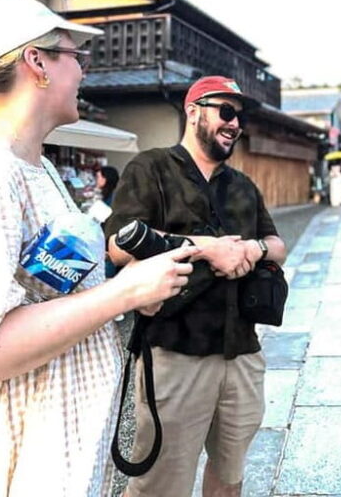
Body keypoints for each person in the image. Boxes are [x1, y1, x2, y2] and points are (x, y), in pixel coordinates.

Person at [0, 0, 197, 495]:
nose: (85, 73)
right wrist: (124, 295)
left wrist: (128, 284)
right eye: (78, 58)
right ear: (37, 63)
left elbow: (45, 296)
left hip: (51, 459)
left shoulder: (38, 167)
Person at [105, 75, 286, 497]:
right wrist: (207, 250)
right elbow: (116, 247)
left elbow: (277, 244)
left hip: (241, 351)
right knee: (161, 484)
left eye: (238, 116)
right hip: (174, 352)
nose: (234, 123)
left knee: (230, 474)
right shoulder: (151, 168)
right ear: (192, 111)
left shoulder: (242, 185)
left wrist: (253, 251)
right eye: (225, 111)